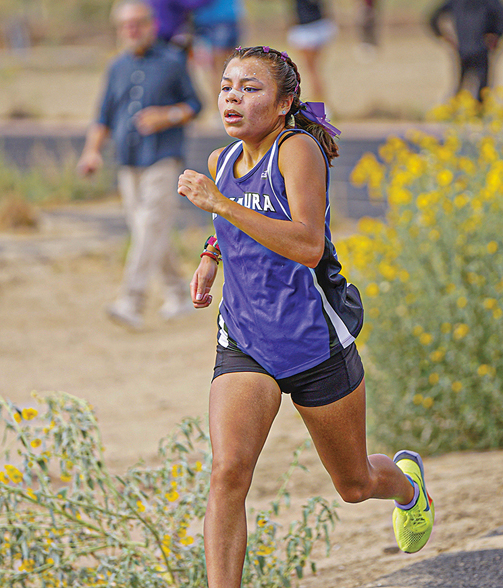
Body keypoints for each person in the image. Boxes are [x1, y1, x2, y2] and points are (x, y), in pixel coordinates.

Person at [177, 45, 435, 587]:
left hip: (313, 341)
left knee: (355, 484)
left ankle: (408, 487)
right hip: (245, 339)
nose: (233, 97)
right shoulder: (222, 161)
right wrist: (211, 254)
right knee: (227, 473)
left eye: (251, 88)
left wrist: (219, 206)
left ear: (284, 102)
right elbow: (238, 219)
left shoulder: (297, 151)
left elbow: (306, 243)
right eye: (227, 86)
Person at [77, 0, 202, 329]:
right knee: (149, 231)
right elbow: (102, 116)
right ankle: (178, 293)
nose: (132, 30)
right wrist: (92, 152)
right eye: (125, 25)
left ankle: (131, 301)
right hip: (127, 160)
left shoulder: (173, 61)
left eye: (138, 23)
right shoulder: (116, 67)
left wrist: (167, 115)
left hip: (163, 157)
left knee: (149, 227)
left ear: (151, 24)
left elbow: (195, 104)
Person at [427, 0, 503, 103]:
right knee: (483, 92)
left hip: (464, 50)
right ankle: (477, 114)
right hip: (480, 49)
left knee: (461, 89)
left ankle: (458, 113)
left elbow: (433, 17)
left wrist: (443, 36)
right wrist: (496, 35)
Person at [286, 0, 336, 103]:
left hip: (306, 27)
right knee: (314, 69)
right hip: (320, 24)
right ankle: (321, 102)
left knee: (312, 70)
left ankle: (320, 103)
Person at [192, 0, 243, 92]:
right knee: (231, 67)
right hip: (231, 17)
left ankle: (221, 102)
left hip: (214, 21)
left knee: (218, 70)